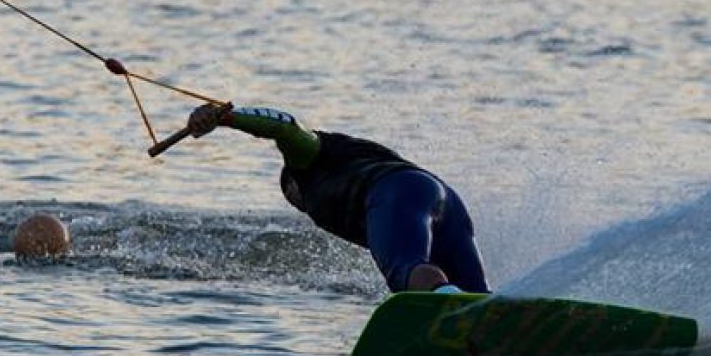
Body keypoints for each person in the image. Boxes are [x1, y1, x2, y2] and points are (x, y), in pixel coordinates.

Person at [184, 102, 490, 294]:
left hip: (393, 192)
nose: (298, 206)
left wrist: (226, 119)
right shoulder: (352, 154)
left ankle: (446, 300)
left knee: (405, 271)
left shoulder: (308, 164)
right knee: (476, 293)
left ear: (293, 185)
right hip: (443, 197)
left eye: (291, 197)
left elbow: (285, 126)